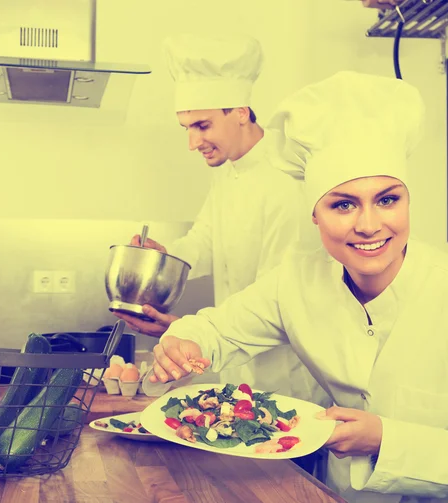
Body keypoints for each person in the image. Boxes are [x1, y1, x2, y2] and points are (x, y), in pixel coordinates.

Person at [147, 71, 448, 502]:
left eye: (387, 199)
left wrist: (384, 440)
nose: (368, 225)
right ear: (314, 215)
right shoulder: (295, 282)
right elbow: (213, 329)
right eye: (343, 204)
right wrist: (183, 343)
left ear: (407, 201)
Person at [114, 33, 329, 474]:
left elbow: (279, 299)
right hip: (239, 374)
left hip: (284, 384)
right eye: (187, 128)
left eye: (202, 126)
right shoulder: (230, 173)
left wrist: (185, 331)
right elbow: (206, 241)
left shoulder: (287, 180)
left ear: (241, 112)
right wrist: (161, 254)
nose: (192, 143)